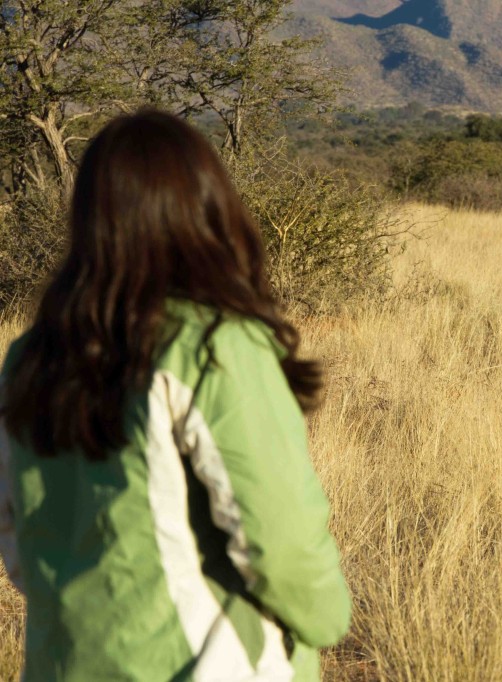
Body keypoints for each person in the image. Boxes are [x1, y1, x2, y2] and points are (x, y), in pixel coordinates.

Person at [0, 109, 352, 680]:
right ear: (208, 207)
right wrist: (325, 621)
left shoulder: (29, 358)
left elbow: (17, 536)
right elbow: (280, 535)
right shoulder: (213, 344)